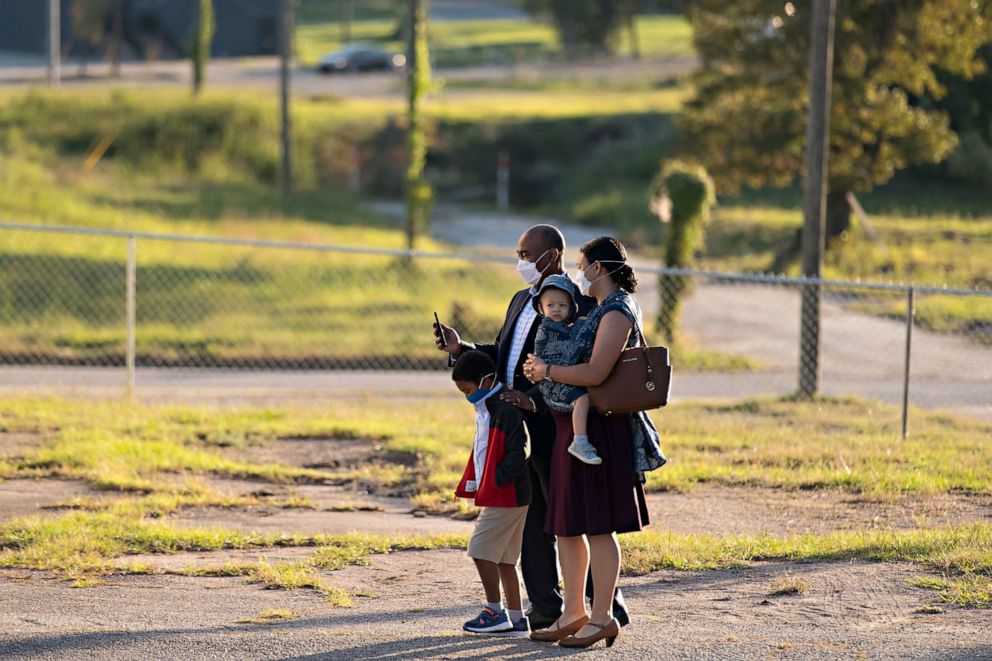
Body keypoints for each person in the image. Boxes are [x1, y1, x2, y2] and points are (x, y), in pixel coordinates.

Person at [434, 225, 631, 631]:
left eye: (528, 254)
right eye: (519, 253)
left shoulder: (582, 303)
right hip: (517, 426)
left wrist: (536, 399)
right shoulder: (522, 299)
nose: (521, 261)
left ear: (553, 256)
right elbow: (502, 353)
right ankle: (545, 607)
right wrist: (462, 349)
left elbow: (580, 365)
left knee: (572, 518)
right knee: (534, 520)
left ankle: (607, 603)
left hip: (556, 421)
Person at [523, 236, 667, 649]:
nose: (578, 271)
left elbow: (598, 372)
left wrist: (547, 369)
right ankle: (573, 612)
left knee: (599, 528)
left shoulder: (619, 309)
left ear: (599, 268)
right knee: (568, 526)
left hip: (599, 432)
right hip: (573, 427)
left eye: (583, 264)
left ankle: (602, 616)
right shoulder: (600, 308)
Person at [452, 350, 532, 637]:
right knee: (504, 559)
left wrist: (495, 480)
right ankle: (517, 619)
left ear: (486, 381)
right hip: (512, 494)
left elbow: (518, 451)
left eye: (468, 390)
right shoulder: (490, 407)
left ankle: (494, 612)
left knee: (480, 551)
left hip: (506, 493)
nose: (466, 397)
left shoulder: (505, 409)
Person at [528, 274, 600, 465]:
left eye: (562, 305)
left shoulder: (564, 326)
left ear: (570, 308)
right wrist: (581, 325)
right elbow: (563, 344)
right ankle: (579, 441)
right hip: (552, 382)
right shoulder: (547, 328)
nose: (556, 309)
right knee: (582, 398)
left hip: (559, 377)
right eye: (550, 305)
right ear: (542, 309)